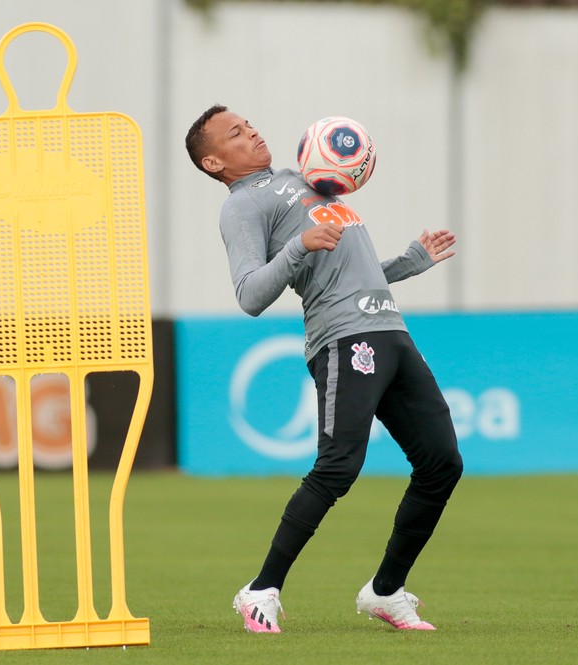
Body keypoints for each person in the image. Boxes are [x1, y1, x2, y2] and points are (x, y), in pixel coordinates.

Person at [185, 105, 463, 633]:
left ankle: (385, 591)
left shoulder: (307, 178)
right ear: (214, 162)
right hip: (342, 340)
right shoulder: (242, 207)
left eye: (248, 123)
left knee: (442, 463)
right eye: (236, 134)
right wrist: (295, 246)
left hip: (391, 332)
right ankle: (261, 589)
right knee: (337, 467)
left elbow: (350, 272)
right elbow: (249, 295)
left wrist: (410, 262)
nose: (252, 131)